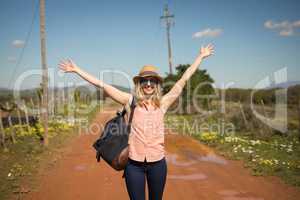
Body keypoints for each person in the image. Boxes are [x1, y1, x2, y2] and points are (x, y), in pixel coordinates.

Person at [58, 44, 214, 200]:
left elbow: (184, 79)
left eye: (152, 80)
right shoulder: (130, 101)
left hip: (158, 165)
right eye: (145, 80)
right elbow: (102, 85)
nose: (148, 84)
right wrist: (77, 70)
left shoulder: (163, 103)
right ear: (140, 83)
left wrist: (200, 57)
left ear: (157, 84)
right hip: (134, 166)